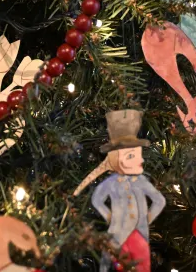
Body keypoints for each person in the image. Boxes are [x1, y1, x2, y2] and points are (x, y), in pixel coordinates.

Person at [74, 109, 165, 272]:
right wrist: (109, 216)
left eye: (139, 154)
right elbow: (97, 199)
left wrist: (147, 218)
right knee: (111, 264)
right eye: (134, 155)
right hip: (118, 234)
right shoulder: (112, 183)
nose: (141, 159)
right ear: (120, 160)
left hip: (139, 236)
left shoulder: (141, 181)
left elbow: (159, 200)